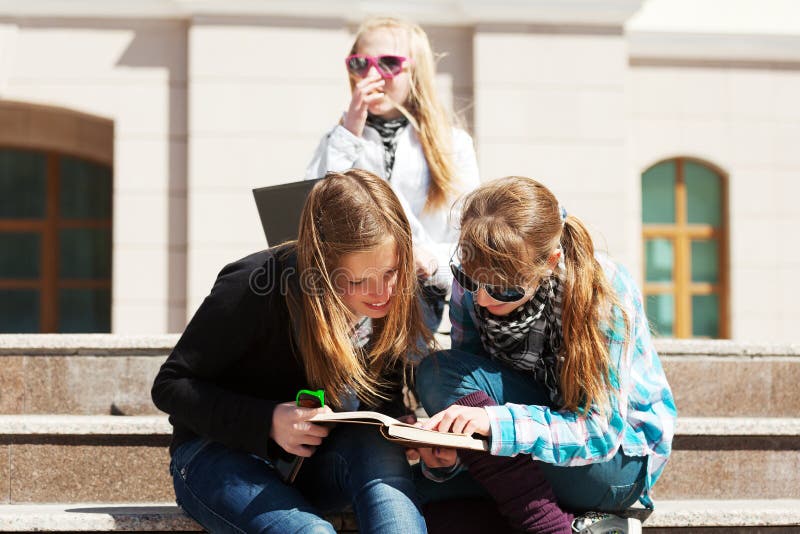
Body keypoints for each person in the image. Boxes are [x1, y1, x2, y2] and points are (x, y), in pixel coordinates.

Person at [151, 169, 431, 534]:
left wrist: (401, 427)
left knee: (378, 448)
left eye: (393, 272)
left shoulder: (393, 297)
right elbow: (171, 384)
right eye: (359, 280)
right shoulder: (254, 285)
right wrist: (268, 421)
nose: (383, 292)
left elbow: (381, 397)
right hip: (216, 455)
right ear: (323, 266)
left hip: (310, 462)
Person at [413, 177, 677, 534]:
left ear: (551, 262)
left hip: (614, 462)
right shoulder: (473, 282)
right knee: (434, 396)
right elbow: (466, 390)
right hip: (530, 440)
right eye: (472, 279)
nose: (482, 299)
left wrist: (496, 423)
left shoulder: (601, 291)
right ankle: (578, 526)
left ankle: (552, 528)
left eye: (504, 289)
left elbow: (600, 434)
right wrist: (454, 452)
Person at [305, 16, 480, 332]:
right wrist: (348, 135)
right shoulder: (339, 138)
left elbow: (468, 238)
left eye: (388, 63)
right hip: (350, 284)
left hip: (416, 288)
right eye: (360, 63)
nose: (372, 75)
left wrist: (428, 259)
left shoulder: (452, 144)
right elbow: (313, 212)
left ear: (416, 72)